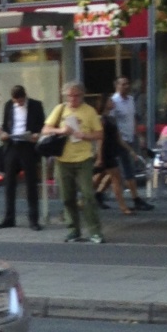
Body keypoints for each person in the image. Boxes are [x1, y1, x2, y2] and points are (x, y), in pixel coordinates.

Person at [43, 81, 105, 243]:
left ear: (82, 95)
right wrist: (61, 130)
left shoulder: (89, 111)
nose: (73, 99)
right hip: (63, 158)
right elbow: (46, 129)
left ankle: (95, 231)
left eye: (76, 95)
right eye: (69, 95)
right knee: (67, 197)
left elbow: (99, 134)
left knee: (88, 195)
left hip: (83, 158)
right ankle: (73, 229)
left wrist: (84, 135)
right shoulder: (60, 109)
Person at [0, 85, 45, 230]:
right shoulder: (8, 106)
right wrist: (3, 134)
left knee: (31, 184)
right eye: (16, 101)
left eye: (21, 101)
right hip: (12, 145)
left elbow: (42, 125)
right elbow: (5, 125)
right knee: (9, 183)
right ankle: (9, 218)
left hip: (28, 146)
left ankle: (33, 220)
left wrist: (37, 135)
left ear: (25, 96)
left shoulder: (36, 105)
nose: (19, 104)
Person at [109, 76, 154, 211]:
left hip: (129, 138)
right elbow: (111, 122)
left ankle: (98, 194)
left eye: (127, 84)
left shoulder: (130, 100)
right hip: (119, 140)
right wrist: (116, 138)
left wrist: (138, 135)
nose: (126, 86)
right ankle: (136, 199)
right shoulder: (114, 101)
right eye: (123, 84)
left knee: (109, 170)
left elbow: (133, 118)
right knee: (127, 169)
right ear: (117, 85)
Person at [93, 96, 135, 216]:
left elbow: (119, 138)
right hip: (105, 151)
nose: (112, 102)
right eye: (110, 100)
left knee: (100, 177)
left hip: (111, 150)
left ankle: (82, 200)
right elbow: (100, 139)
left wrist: (130, 150)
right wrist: (99, 156)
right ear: (104, 103)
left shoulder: (111, 119)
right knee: (116, 178)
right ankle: (123, 207)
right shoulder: (101, 119)